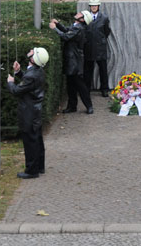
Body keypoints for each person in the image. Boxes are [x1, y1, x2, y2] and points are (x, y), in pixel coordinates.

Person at [7, 48, 49, 179]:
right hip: (35, 111)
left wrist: (10, 83)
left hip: (29, 112)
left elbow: (17, 91)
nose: (31, 51)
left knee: (30, 141)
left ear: (33, 59)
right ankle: (39, 166)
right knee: (37, 139)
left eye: (33, 51)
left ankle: (31, 170)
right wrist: (19, 72)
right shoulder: (37, 71)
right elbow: (29, 83)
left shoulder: (32, 75)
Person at [50, 12, 93, 114]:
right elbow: (68, 31)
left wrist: (54, 28)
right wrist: (58, 24)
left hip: (75, 60)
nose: (78, 14)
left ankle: (88, 105)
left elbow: (66, 36)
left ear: (82, 19)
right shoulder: (76, 26)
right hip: (72, 59)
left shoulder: (79, 28)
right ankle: (72, 106)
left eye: (80, 14)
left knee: (79, 84)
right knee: (71, 85)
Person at [85, 0, 112, 95]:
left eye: (95, 6)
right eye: (92, 6)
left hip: (100, 48)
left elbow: (107, 31)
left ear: (98, 6)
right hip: (89, 47)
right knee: (88, 70)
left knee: (103, 70)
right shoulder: (86, 17)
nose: (94, 7)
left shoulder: (104, 18)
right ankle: (86, 89)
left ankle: (104, 89)